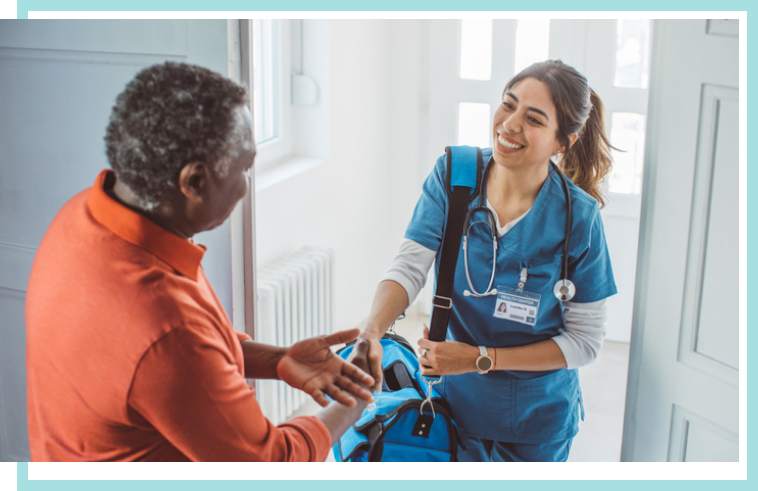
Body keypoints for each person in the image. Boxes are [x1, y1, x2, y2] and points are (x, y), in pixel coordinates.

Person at [25, 61, 375, 462]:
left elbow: (180, 363)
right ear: (193, 182)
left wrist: (279, 360)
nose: (246, 184)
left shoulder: (81, 215)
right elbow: (270, 460)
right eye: (245, 168)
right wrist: (355, 400)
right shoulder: (163, 324)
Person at [359, 60, 618, 462]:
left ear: (563, 141)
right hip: (455, 408)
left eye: (533, 118)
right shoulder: (455, 176)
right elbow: (409, 267)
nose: (510, 124)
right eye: (508, 104)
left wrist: (480, 358)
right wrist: (371, 332)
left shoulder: (578, 217)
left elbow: (585, 342)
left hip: (537, 420)